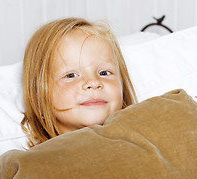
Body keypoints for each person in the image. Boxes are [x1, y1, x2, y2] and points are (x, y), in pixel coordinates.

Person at [21, 17, 137, 147]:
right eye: (71, 75)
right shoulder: (31, 164)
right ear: (39, 97)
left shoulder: (142, 143)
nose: (93, 82)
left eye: (104, 73)